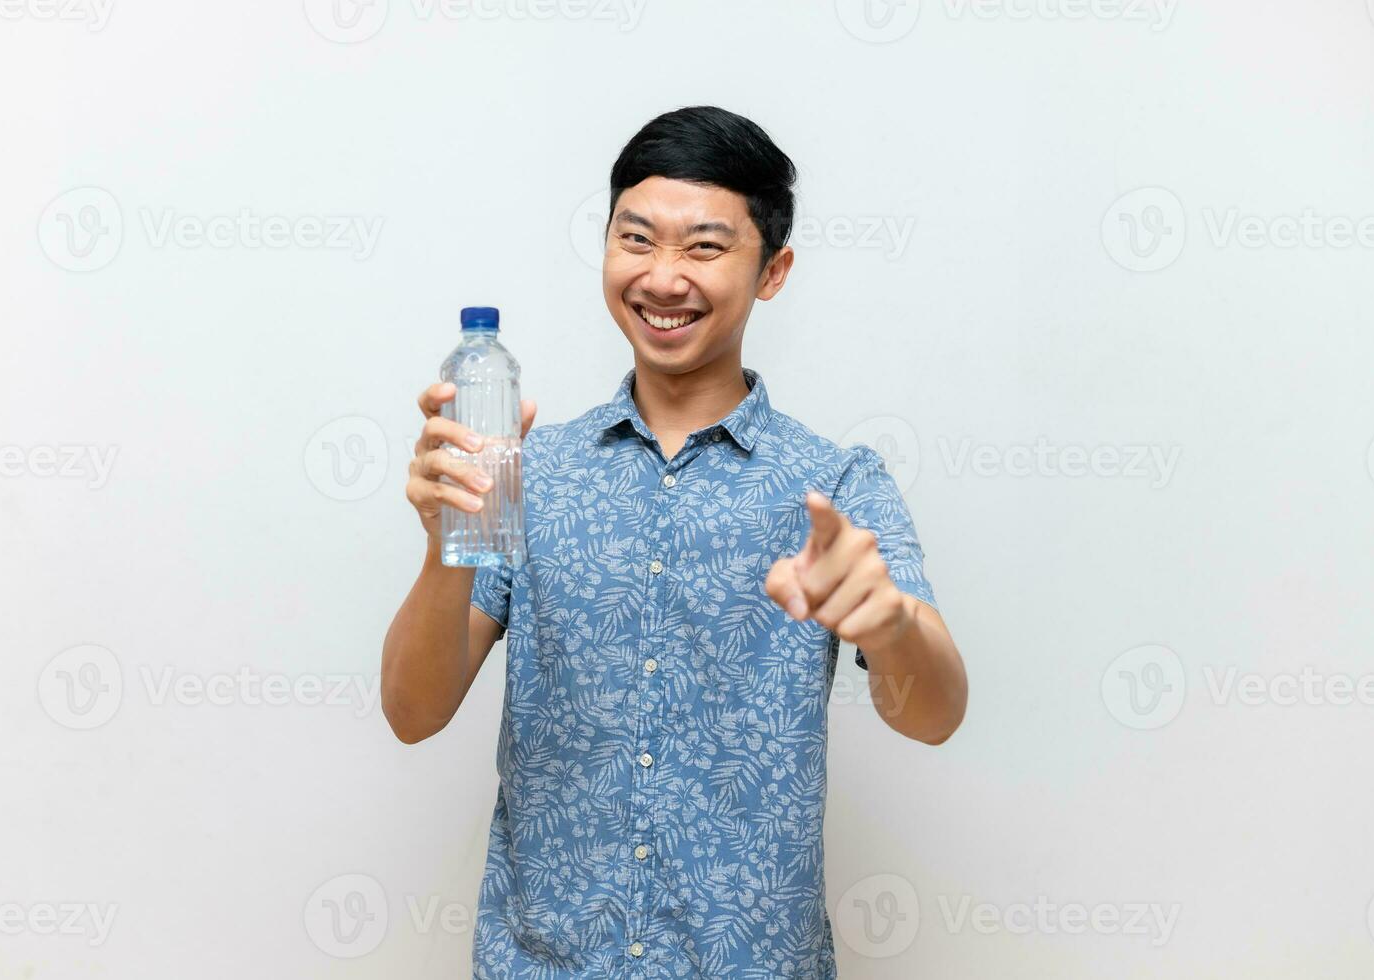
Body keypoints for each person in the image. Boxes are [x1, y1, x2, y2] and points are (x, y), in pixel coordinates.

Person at [381, 105, 968, 978]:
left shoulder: (835, 485)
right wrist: (443, 543)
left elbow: (935, 715)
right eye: (637, 239)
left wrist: (888, 628)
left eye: (704, 247)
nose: (662, 277)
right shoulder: (529, 472)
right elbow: (413, 713)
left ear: (773, 271)